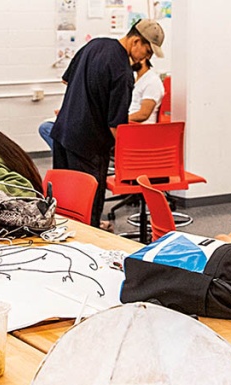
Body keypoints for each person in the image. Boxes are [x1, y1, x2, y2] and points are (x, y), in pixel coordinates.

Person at [51, 19, 165, 228]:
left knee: (63, 202)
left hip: (62, 134)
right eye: (147, 52)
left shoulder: (95, 44)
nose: (146, 58)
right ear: (136, 42)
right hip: (89, 146)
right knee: (88, 207)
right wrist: (128, 156)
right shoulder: (123, 73)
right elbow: (115, 124)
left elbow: (67, 80)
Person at [127, 57, 164, 123]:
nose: (129, 62)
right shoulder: (136, 78)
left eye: (131, 59)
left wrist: (120, 119)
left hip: (140, 128)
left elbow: (144, 114)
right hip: (130, 124)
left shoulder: (152, 81)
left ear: (142, 59)